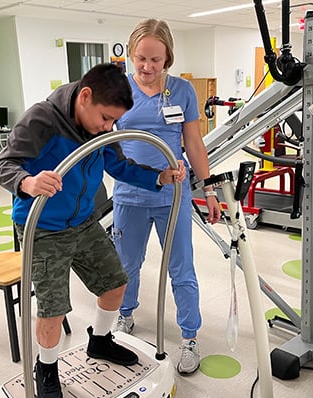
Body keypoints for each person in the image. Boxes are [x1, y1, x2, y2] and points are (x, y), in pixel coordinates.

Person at [0, 63, 185, 398]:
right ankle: (46, 367)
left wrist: (160, 177)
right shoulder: (41, 121)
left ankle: (100, 340)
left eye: (114, 122)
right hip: (43, 227)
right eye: (106, 118)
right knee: (52, 310)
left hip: (83, 221)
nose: (108, 127)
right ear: (85, 97)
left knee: (115, 284)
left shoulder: (101, 128)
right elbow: (3, 165)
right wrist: (28, 183)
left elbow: (120, 166)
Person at [111, 19, 221, 376]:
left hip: (173, 197)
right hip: (129, 195)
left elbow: (193, 143)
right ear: (131, 55)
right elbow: (101, 141)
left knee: (181, 270)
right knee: (126, 266)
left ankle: (189, 337)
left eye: (156, 60)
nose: (147, 67)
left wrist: (210, 189)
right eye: (141, 58)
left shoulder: (183, 91)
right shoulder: (118, 91)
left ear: (168, 58)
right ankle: (124, 317)